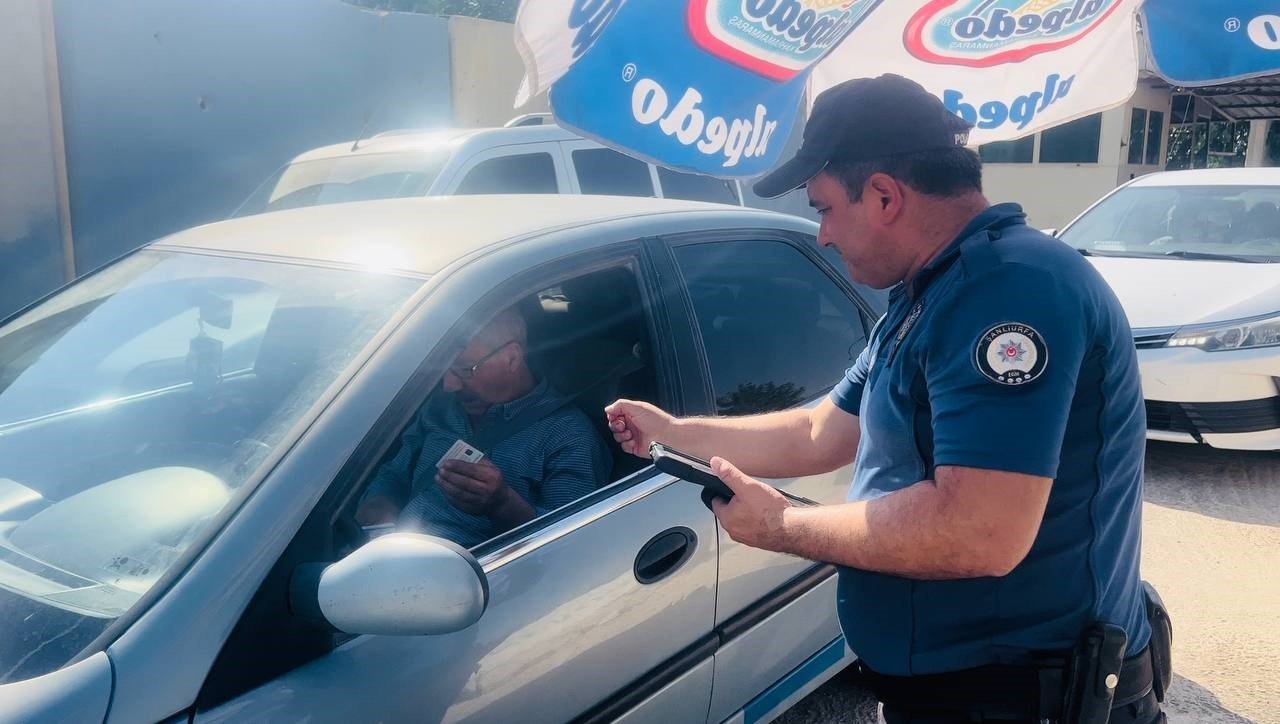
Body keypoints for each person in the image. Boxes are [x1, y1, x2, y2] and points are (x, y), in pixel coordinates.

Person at [606, 74, 1166, 723]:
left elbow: (980, 529)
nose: (821, 234)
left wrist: (782, 526)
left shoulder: (1008, 291)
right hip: (970, 694)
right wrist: (674, 432)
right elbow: (820, 432)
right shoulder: (932, 289)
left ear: (883, 196)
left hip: (1024, 700)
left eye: (823, 208)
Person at [358, 307, 611, 548]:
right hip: (386, 549)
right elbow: (395, 473)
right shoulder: (440, 408)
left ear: (512, 358)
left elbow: (570, 544)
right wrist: (379, 505)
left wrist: (503, 503)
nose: (449, 385)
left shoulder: (568, 434)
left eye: (464, 369)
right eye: (444, 369)